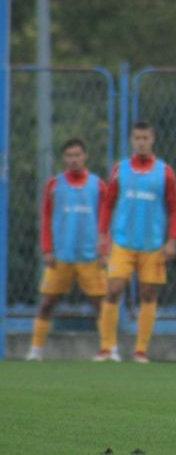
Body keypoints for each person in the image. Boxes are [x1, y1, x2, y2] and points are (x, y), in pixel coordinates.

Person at [94, 120, 176, 363]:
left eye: (145, 138)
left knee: (148, 293)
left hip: (152, 244)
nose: (141, 142)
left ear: (152, 139)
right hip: (122, 242)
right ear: (131, 141)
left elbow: (175, 208)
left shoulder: (164, 171)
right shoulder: (120, 169)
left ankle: (140, 350)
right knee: (113, 289)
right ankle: (107, 348)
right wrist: (102, 234)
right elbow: (108, 203)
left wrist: (172, 240)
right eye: (137, 138)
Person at [26, 138, 108, 361]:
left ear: (85, 156)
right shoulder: (54, 185)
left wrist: (104, 250)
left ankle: (109, 349)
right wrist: (46, 249)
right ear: (64, 158)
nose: (74, 159)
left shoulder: (98, 185)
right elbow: (45, 217)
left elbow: (105, 219)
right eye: (70, 155)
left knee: (100, 304)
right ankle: (35, 350)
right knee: (47, 302)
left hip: (90, 255)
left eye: (78, 155)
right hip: (60, 255)